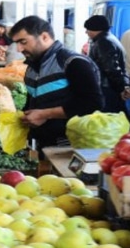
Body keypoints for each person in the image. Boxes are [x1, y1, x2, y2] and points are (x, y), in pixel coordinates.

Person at [9, 15, 103, 154]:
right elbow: (33, 100)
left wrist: (45, 114)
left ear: (44, 37)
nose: (19, 49)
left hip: (69, 145)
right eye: (16, 43)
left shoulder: (74, 63)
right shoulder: (31, 67)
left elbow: (92, 103)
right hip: (42, 143)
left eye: (23, 42)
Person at [84, 15, 130, 113]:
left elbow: (110, 68)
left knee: (108, 117)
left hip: (107, 87)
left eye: (88, 29)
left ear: (95, 29)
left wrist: (121, 87)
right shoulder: (110, 38)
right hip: (112, 86)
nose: (86, 32)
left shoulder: (103, 42)